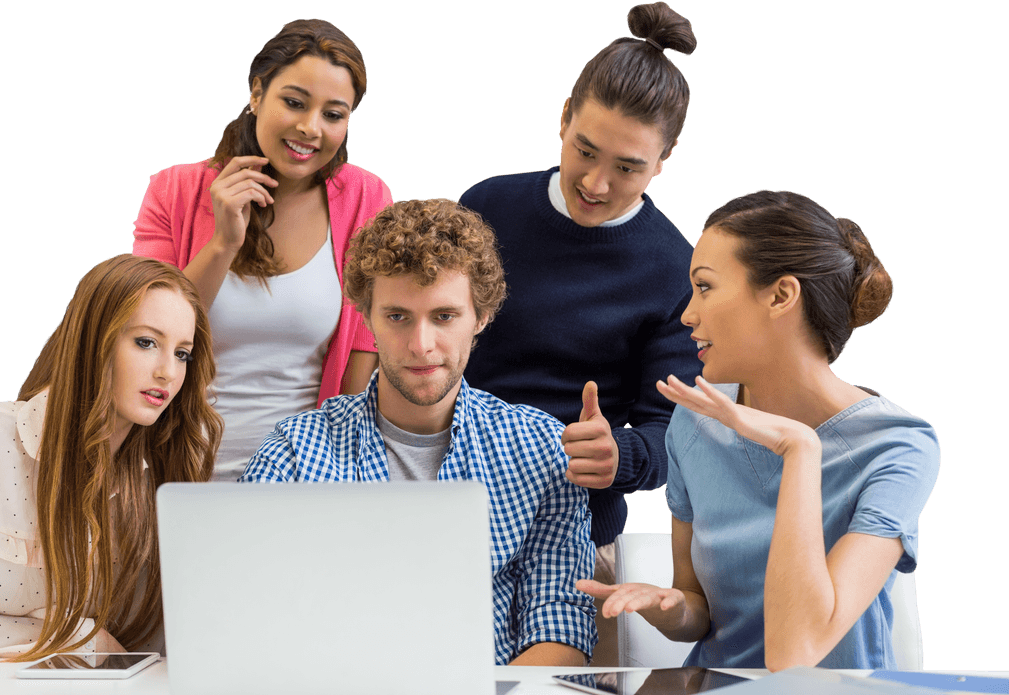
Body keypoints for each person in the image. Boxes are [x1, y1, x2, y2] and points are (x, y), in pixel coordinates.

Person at [578, 190, 940, 670]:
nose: (688, 314)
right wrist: (669, 609)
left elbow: (795, 656)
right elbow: (698, 610)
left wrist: (799, 449)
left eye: (705, 287)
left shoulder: (897, 448)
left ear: (780, 295)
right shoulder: (693, 423)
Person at [241, 199, 597, 666]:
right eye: (397, 316)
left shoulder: (539, 448)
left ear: (481, 318)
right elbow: (253, 611)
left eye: (444, 316)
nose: (421, 345)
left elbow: (561, 623)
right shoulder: (296, 449)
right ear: (366, 319)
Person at [458, 1, 702, 663]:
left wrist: (617, 455)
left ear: (664, 160)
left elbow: (671, 437)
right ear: (564, 116)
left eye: (627, 167)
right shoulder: (486, 207)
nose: (596, 183)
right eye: (583, 151)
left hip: (571, 526)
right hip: (446, 507)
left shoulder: (674, 270)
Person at [132, 19, 392, 479]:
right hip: (176, 467)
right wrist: (223, 244)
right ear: (256, 94)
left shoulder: (366, 198)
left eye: (333, 114)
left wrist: (338, 477)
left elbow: (363, 351)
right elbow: (144, 334)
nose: (310, 128)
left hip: (305, 476)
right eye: (294, 102)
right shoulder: (173, 191)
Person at [0, 254, 222, 659]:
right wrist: (74, 637)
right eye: (146, 342)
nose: (167, 373)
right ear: (93, 340)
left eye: (182, 354)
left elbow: (163, 647)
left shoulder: (164, 481)